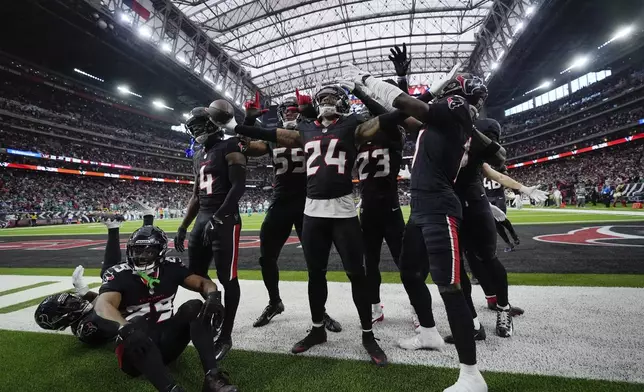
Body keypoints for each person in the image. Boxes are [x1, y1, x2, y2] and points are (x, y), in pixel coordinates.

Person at [215, 85, 405, 367]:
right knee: (316, 274)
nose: (327, 101)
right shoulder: (305, 130)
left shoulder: (353, 125)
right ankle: (317, 329)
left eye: (332, 97)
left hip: (342, 209)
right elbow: (263, 135)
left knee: (357, 274)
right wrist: (234, 123)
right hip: (313, 210)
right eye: (322, 98)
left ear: (343, 103)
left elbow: (391, 119)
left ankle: (367, 334)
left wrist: (398, 94)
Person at [347, 63, 491, 391]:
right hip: (421, 209)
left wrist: (369, 81)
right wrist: (372, 91)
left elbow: (407, 104)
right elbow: (401, 115)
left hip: (440, 208)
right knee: (411, 273)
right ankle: (428, 332)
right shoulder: (446, 121)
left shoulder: (456, 109)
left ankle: (471, 375)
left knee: (449, 286)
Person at [36, 221, 237, 391]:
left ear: (160, 252)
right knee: (137, 324)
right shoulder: (120, 274)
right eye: (136, 250)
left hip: (168, 341)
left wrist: (213, 296)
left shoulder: (172, 267)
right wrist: (124, 325)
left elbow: (203, 283)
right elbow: (104, 304)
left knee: (195, 305)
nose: (140, 256)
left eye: (147, 251)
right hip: (135, 351)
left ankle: (213, 376)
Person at [241, 96, 342, 332]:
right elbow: (244, 147)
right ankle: (274, 302)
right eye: (285, 110)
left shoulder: (312, 133)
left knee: (316, 264)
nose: (289, 113)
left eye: (294, 110)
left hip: (310, 203)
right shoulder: (273, 139)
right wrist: (248, 119)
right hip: (282, 203)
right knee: (266, 257)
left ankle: (321, 311)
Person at [173, 106, 247, 361]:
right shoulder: (198, 155)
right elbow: (196, 195)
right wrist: (183, 226)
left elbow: (239, 185)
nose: (196, 131)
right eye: (192, 128)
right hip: (203, 217)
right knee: (196, 276)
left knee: (228, 278)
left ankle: (226, 335)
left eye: (200, 125)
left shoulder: (230, 146)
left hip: (224, 218)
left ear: (214, 122)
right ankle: (215, 312)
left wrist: (219, 216)